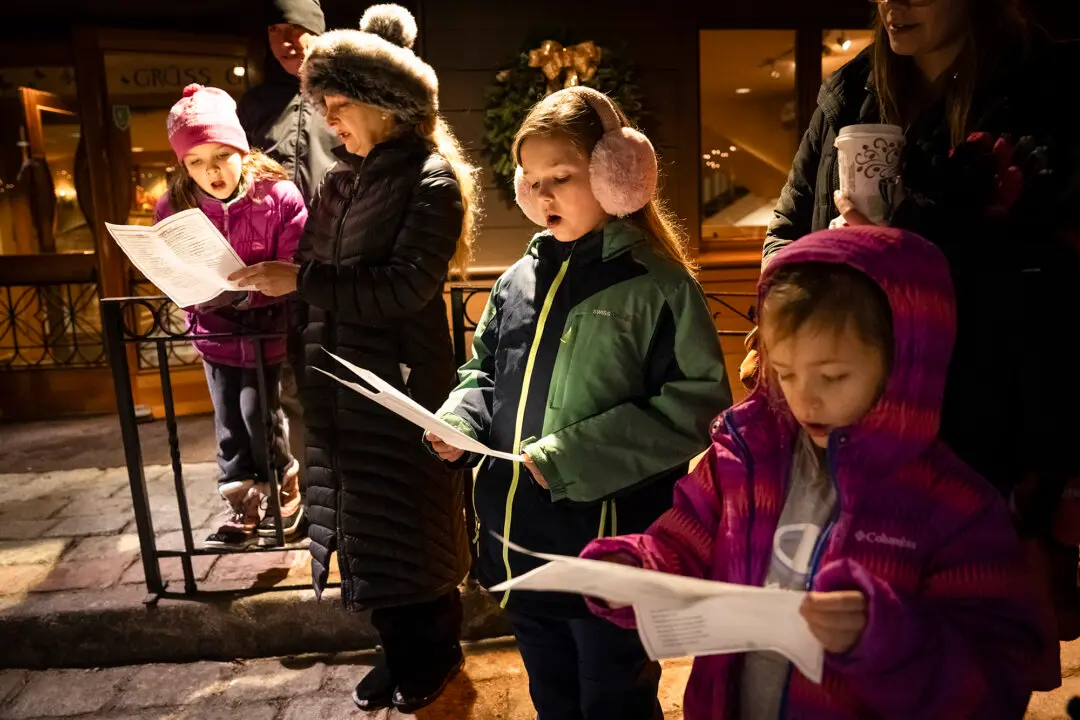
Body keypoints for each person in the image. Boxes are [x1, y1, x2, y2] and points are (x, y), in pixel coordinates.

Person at [583, 225, 1045, 719]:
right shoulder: (744, 458)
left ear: (905, 362)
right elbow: (684, 541)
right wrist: (634, 570)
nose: (805, 397)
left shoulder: (954, 506)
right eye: (785, 373)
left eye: (832, 376)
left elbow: (996, 681)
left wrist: (882, 635)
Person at [752, 0, 1080, 681]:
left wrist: (913, 236)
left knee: (963, 650)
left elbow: (1053, 272)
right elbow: (788, 221)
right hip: (852, 421)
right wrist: (804, 286)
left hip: (978, 416)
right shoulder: (851, 89)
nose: (892, 5)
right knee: (848, 635)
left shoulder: (1046, 86)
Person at [425, 86, 732, 720]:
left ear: (616, 175)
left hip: (610, 555)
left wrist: (571, 456)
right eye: (530, 180)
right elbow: (484, 372)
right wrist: (459, 417)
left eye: (560, 177)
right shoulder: (515, 281)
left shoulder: (659, 287)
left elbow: (694, 406)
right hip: (519, 544)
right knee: (554, 697)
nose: (542, 196)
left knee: (615, 699)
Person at [230, 5, 476, 713]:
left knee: (411, 537)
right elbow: (314, 266)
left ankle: (431, 660)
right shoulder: (343, 180)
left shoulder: (430, 179)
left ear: (383, 103)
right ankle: (396, 653)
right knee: (364, 539)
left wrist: (302, 282)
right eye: (324, 105)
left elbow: (406, 286)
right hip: (339, 386)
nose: (329, 120)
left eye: (338, 105)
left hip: (396, 387)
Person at [155, 84, 308, 547]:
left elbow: (295, 262)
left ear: (242, 149)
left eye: (222, 155)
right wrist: (193, 294)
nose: (212, 171)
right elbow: (170, 267)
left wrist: (255, 291)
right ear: (183, 165)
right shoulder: (175, 205)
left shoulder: (278, 196)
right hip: (215, 332)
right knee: (229, 424)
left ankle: (285, 491)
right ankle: (242, 505)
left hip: (267, 330)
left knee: (260, 413)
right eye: (196, 161)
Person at [237, 0, 339, 532]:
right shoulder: (255, 106)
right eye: (276, 29)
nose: (286, 39)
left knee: (340, 385)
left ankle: (352, 506)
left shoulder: (345, 96)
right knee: (290, 391)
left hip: (338, 269)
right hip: (275, 273)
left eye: (297, 27)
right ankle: (313, 506)